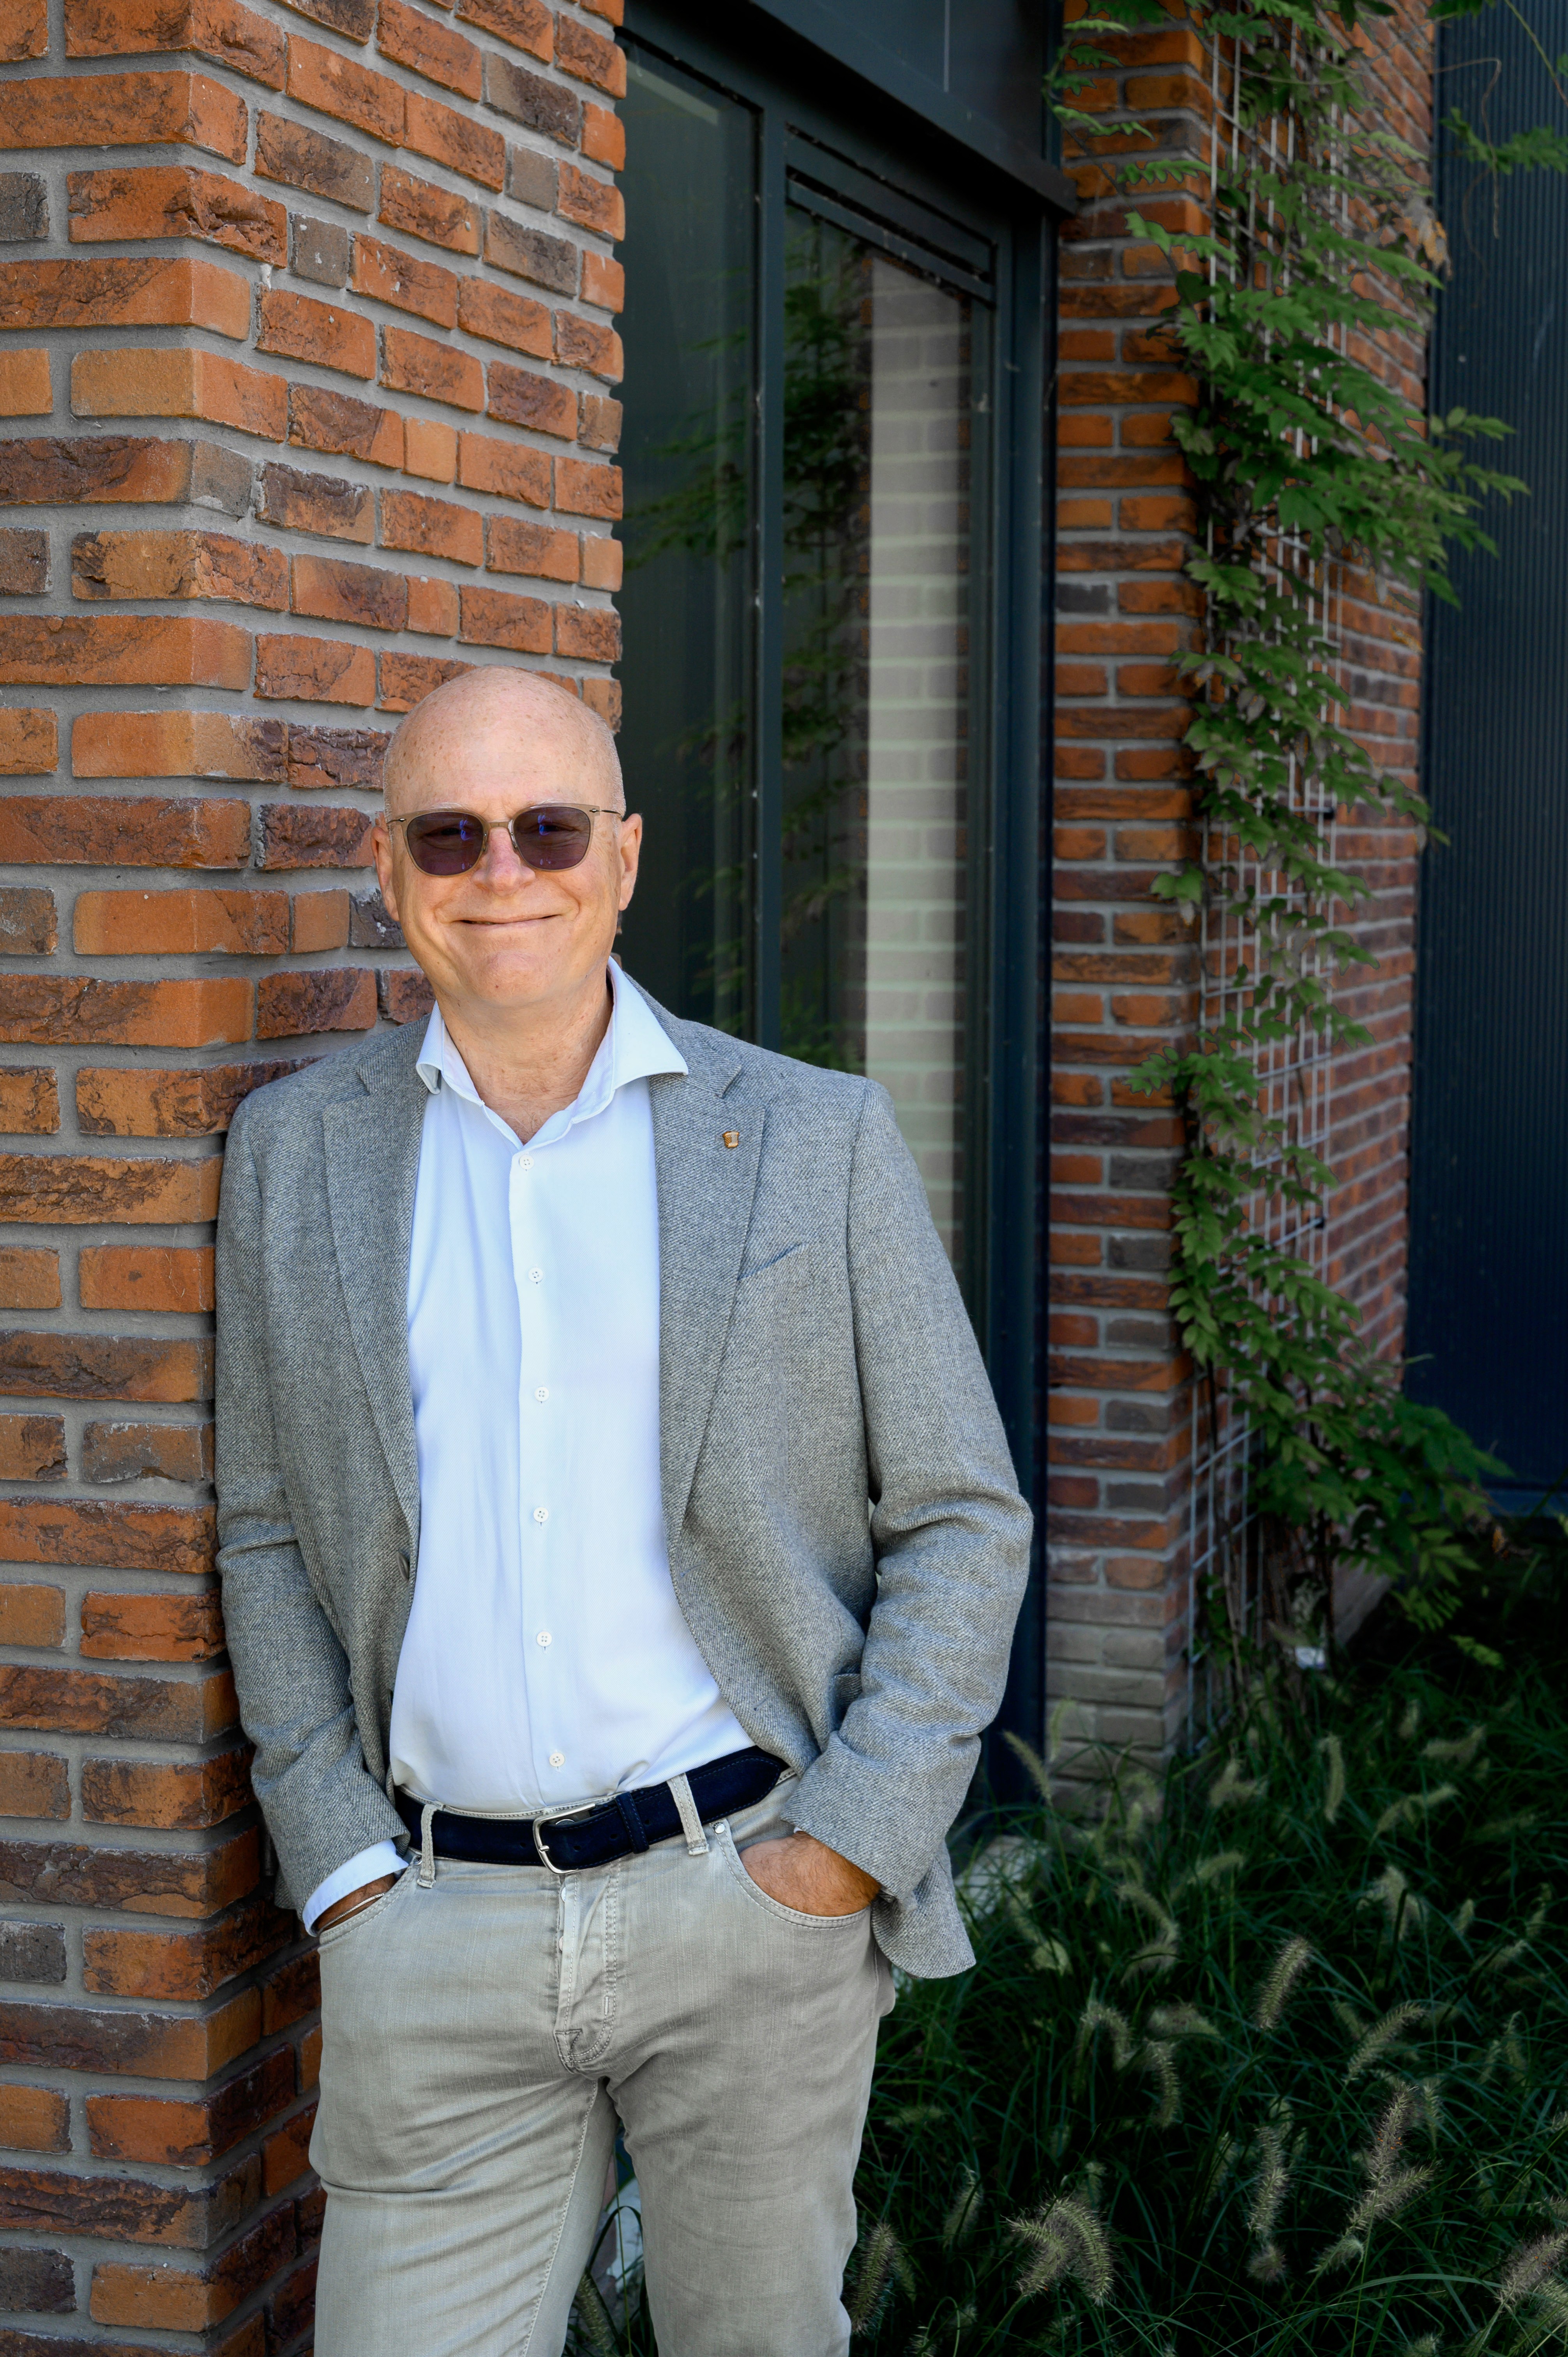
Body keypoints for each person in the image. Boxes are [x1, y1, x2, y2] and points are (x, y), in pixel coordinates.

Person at [215, 664, 1032, 2357]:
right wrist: (340, 1864)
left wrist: (845, 1847)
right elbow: (269, 1526)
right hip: (432, 1932)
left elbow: (962, 1513)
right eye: (451, 835)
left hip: (748, 1908)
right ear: (389, 870)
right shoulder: (294, 1154)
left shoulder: (811, 1138)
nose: (502, 871)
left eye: (548, 827)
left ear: (627, 856)